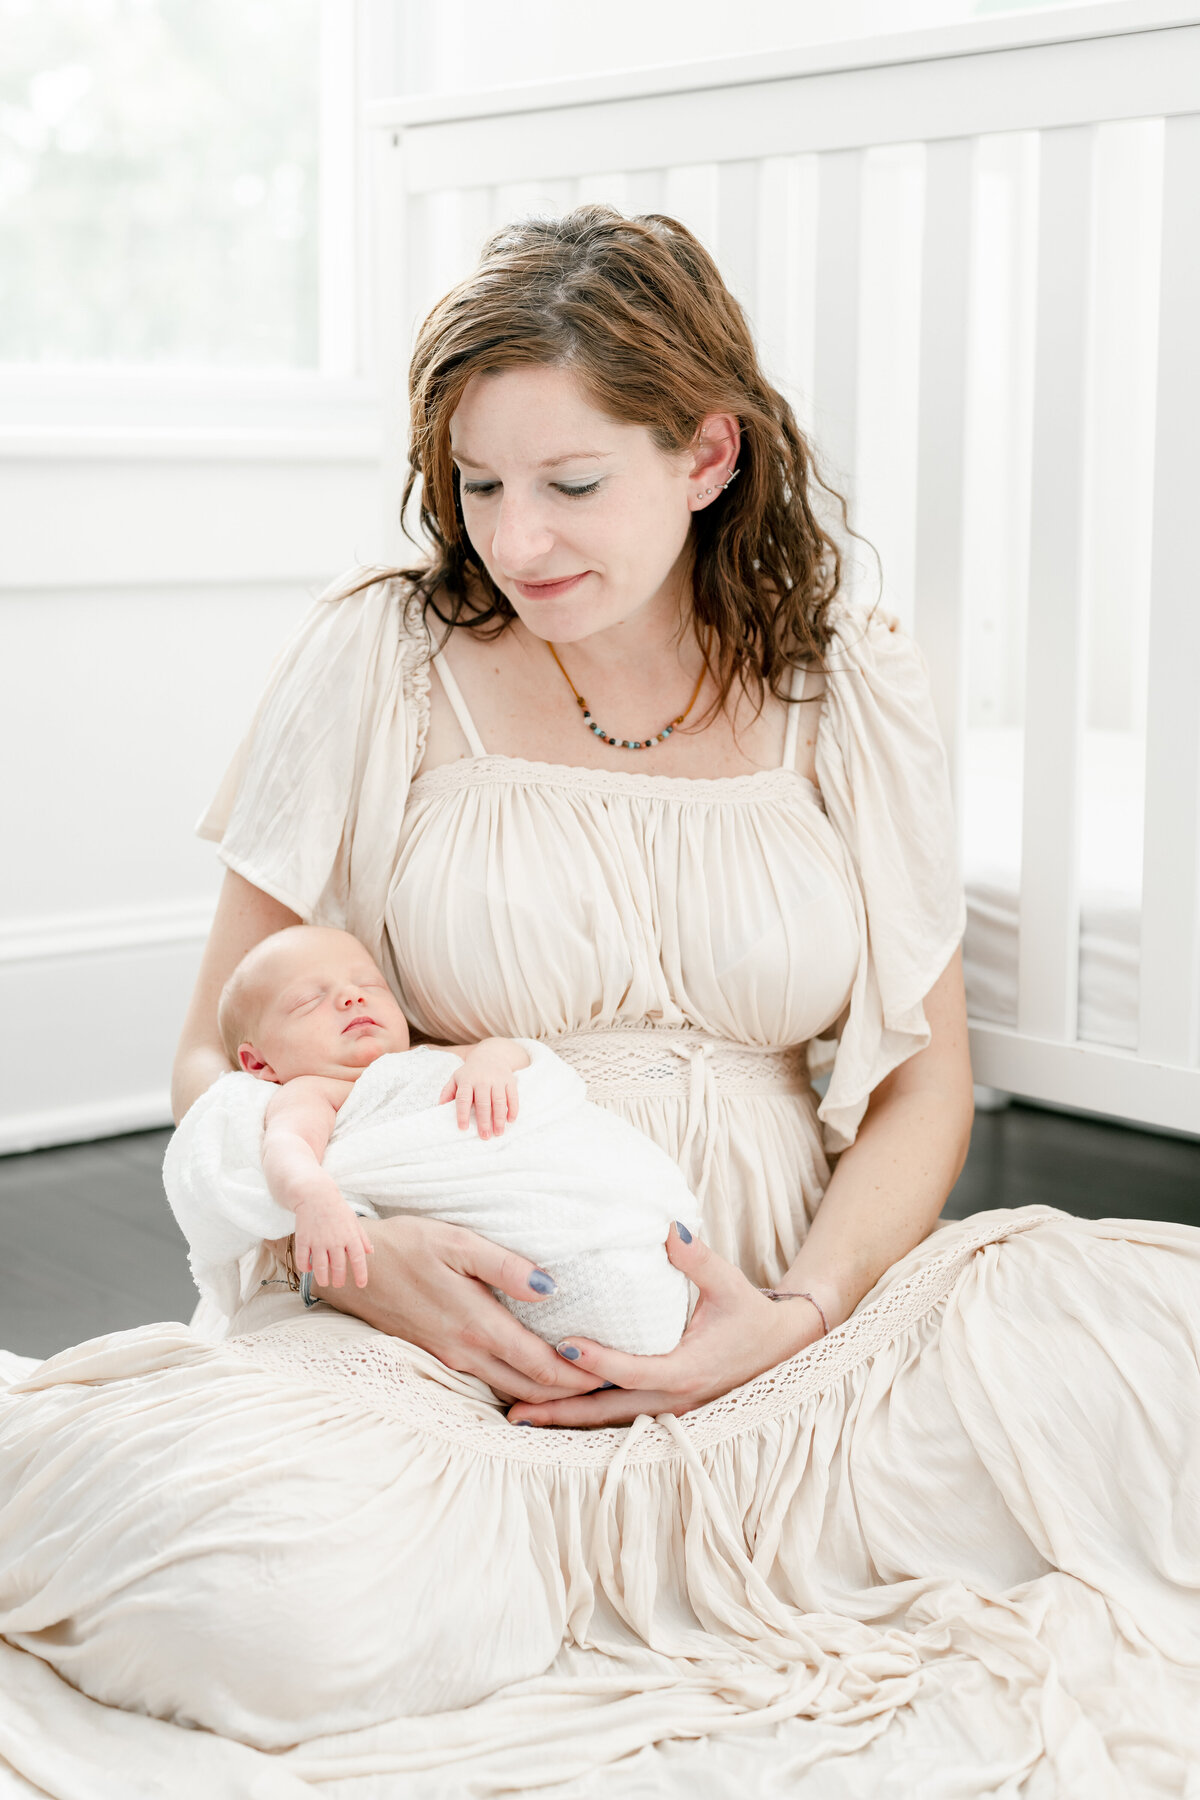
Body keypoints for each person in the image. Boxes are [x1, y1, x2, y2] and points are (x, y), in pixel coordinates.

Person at [1, 206, 1197, 1797]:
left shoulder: (845, 676)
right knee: (263, 1592)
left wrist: (790, 1318)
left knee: (1155, 1362)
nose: (519, 539)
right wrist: (359, 1262)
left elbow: (928, 1084)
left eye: (572, 485)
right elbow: (213, 1048)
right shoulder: (387, 652)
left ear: (708, 456)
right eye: (478, 487)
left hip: (778, 1303)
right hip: (455, 1307)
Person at [164, 922, 701, 1352]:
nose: (351, 998)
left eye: (368, 986)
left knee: (608, 1208)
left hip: (550, 1190)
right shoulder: (316, 1091)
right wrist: (312, 1195)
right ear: (259, 1062)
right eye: (309, 1000)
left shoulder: (430, 1059)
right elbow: (286, 1147)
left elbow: (513, 1053)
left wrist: (490, 1064)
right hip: (479, 1259)